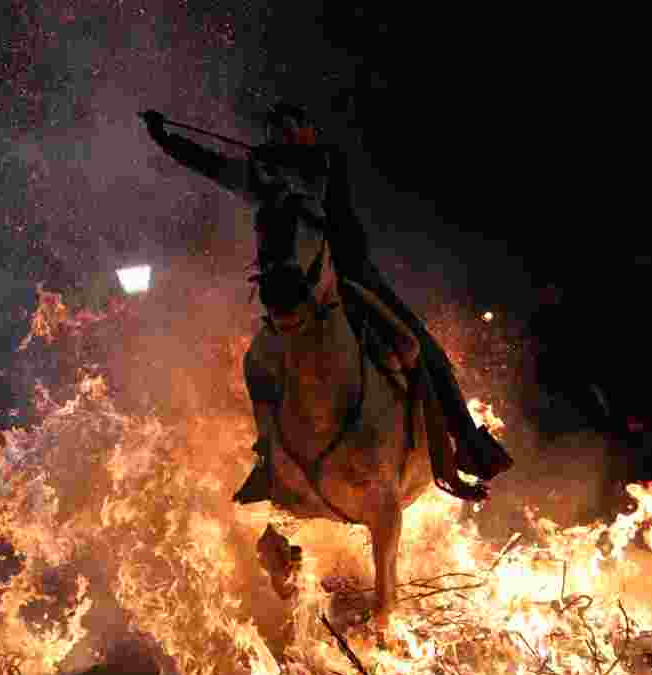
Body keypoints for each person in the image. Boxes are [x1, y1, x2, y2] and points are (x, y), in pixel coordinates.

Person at [141, 103, 511, 492]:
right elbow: (211, 164)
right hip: (290, 293)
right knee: (257, 365)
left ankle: (466, 444)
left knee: (424, 349)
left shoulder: (324, 163)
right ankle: (270, 460)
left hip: (354, 278)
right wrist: (166, 139)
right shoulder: (264, 177)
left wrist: (273, 166)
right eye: (272, 130)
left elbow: (310, 183)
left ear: (308, 133)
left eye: (287, 128)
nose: (278, 135)